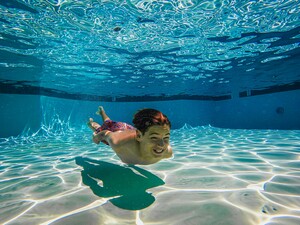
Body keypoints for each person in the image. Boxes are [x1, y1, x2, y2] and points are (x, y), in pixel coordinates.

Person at [88, 106, 173, 165]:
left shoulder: (167, 152)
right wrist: (95, 138)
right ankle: (92, 121)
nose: (161, 145)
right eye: (154, 137)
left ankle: (102, 111)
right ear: (139, 136)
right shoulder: (118, 143)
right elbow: (104, 133)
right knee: (101, 127)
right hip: (118, 130)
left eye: (166, 137)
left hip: (130, 129)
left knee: (108, 122)